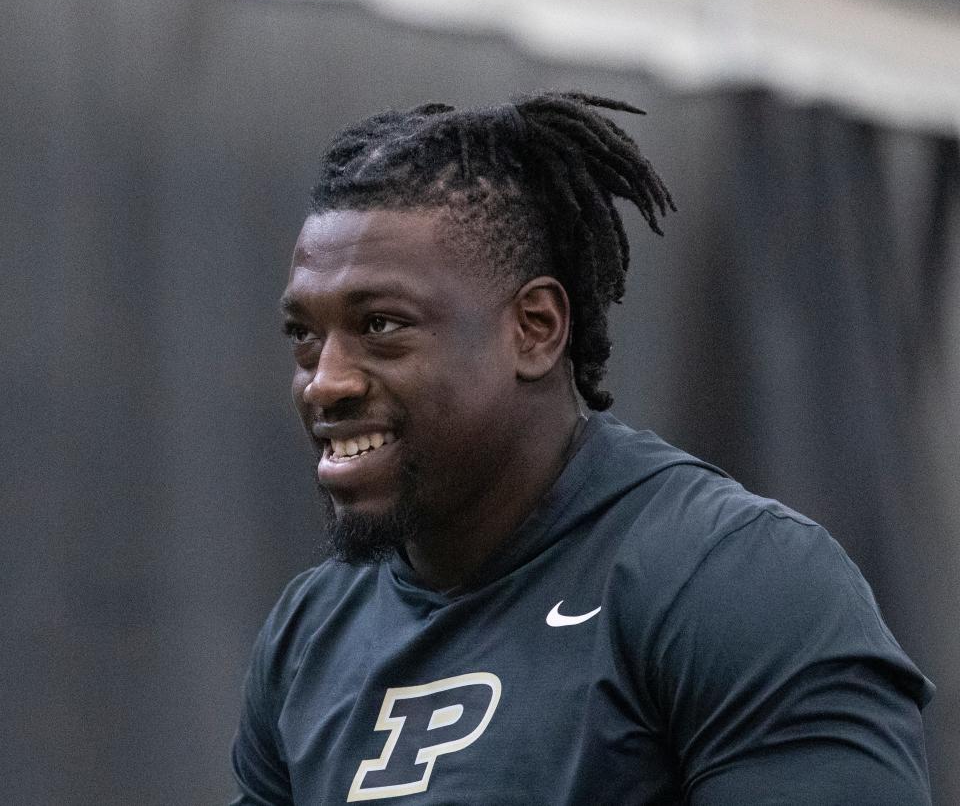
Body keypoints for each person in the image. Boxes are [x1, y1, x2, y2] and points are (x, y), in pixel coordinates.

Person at [231, 92, 934, 804]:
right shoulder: (309, 635)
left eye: (380, 325)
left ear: (535, 329)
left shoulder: (732, 580)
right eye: (305, 337)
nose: (326, 383)